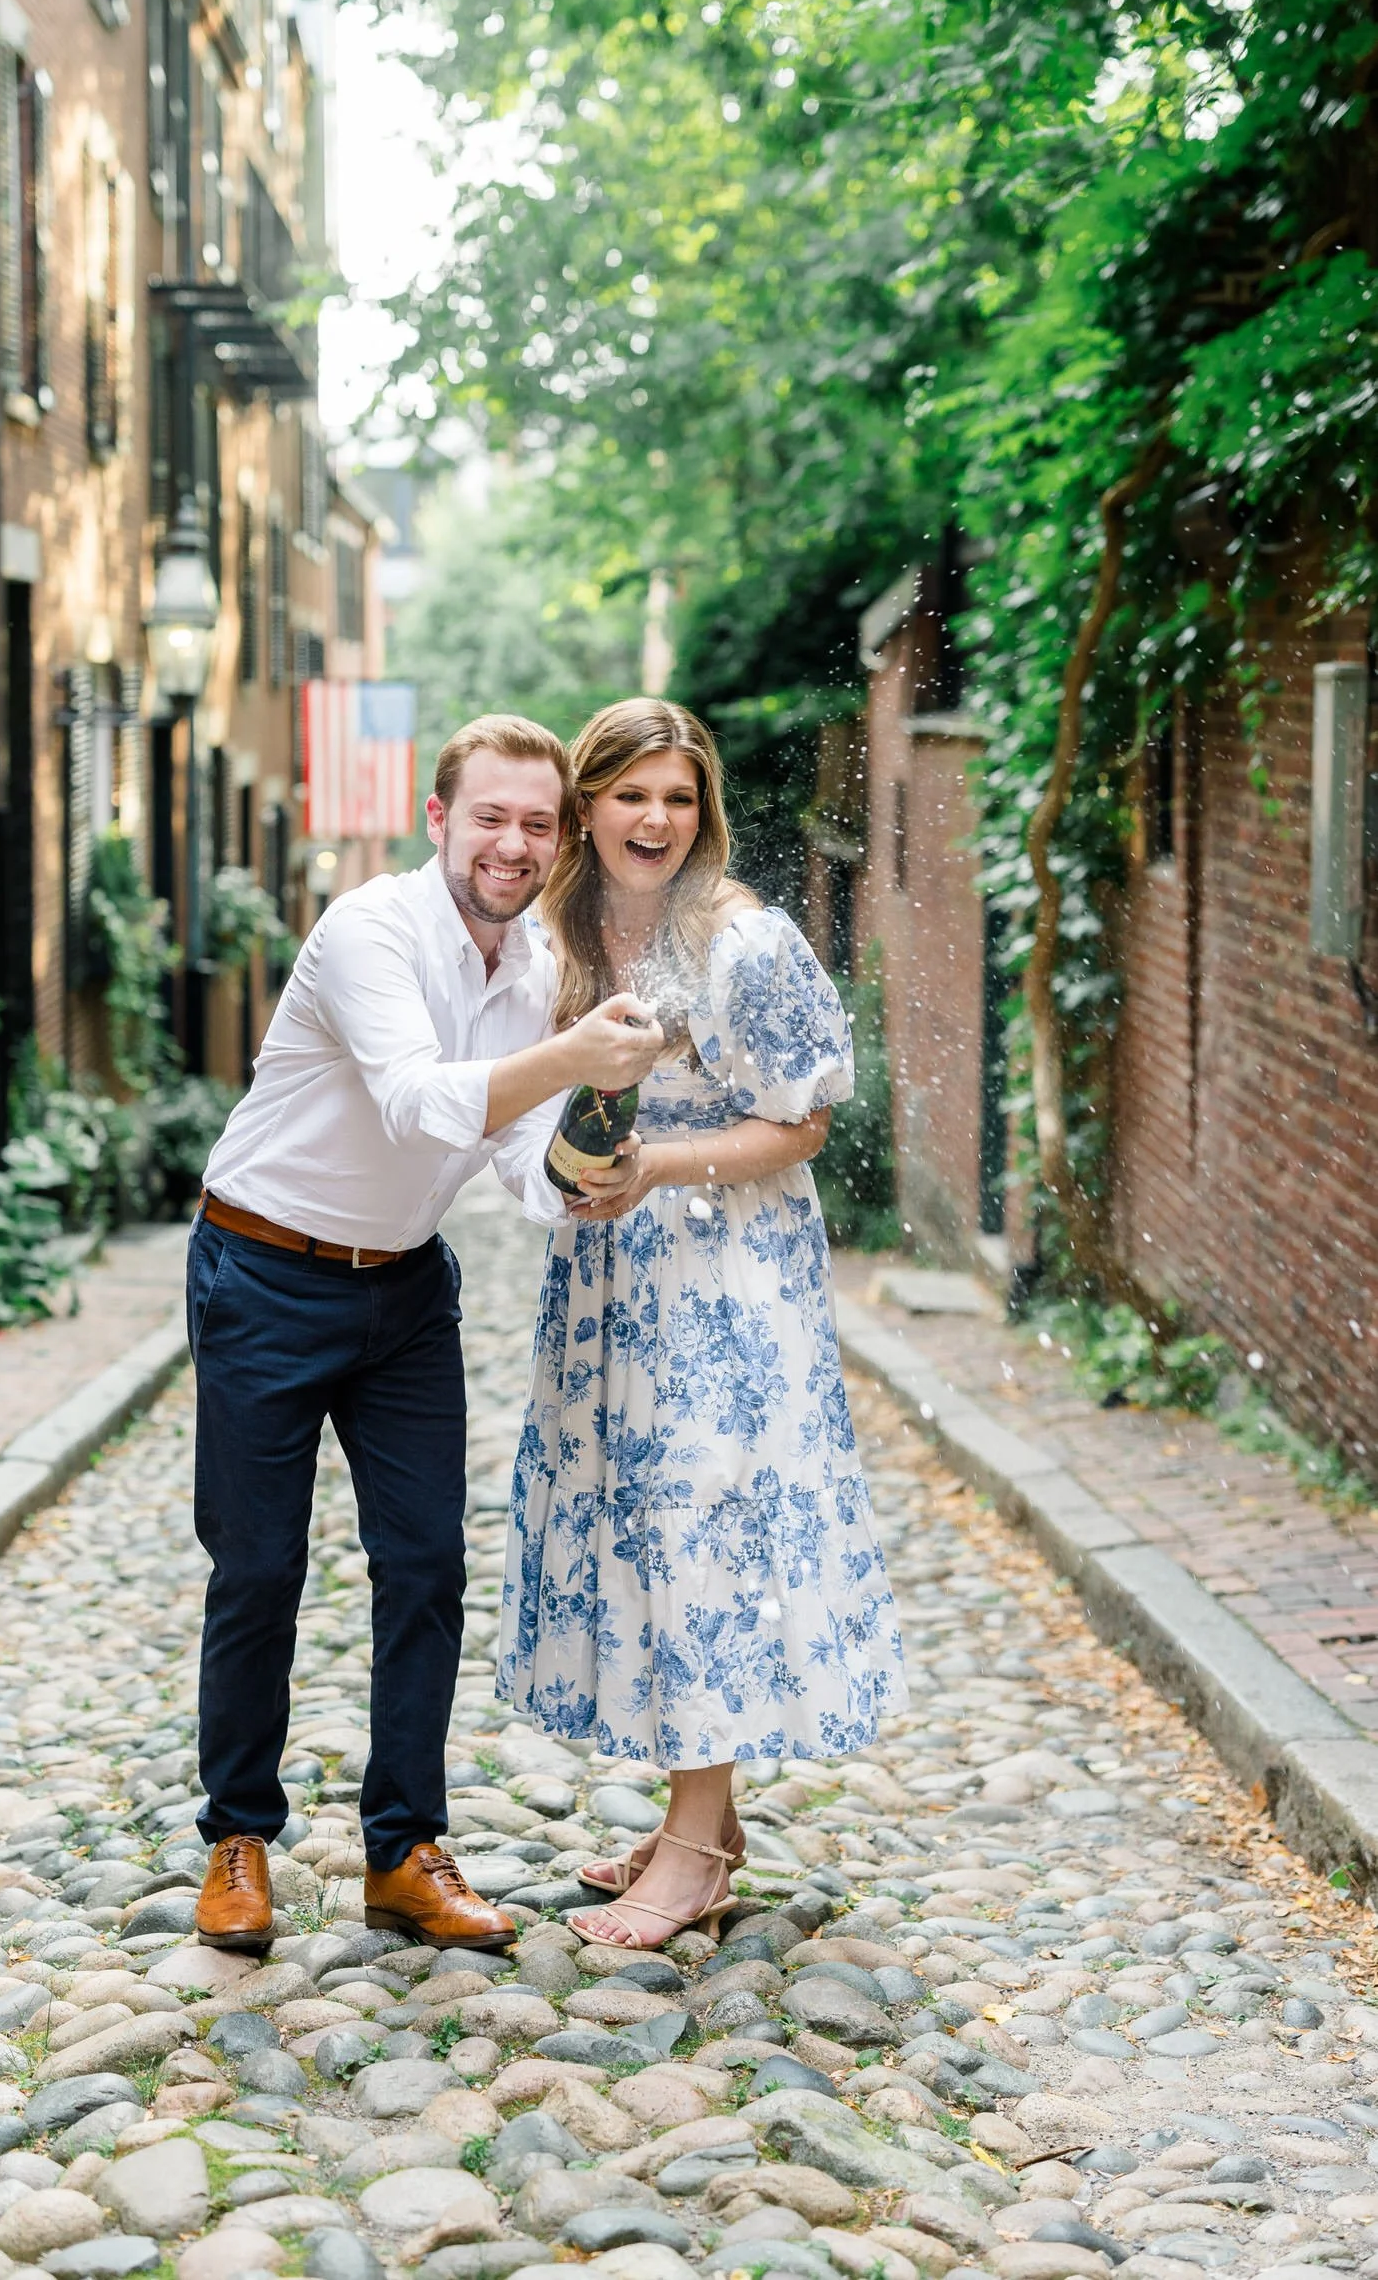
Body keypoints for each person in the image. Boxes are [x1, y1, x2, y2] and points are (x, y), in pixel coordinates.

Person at [186, 713, 663, 1955]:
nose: (512, 843)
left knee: (426, 1569)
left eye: (537, 824)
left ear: (558, 846)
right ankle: (237, 1840)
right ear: (439, 817)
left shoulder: (529, 966)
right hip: (263, 1272)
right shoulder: (369, 931)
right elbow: (412, 1102)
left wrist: (592, 1165)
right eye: (491, 816)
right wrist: (568, 1050)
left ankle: (402, 1850)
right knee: (258, 1569)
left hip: (403, 1293)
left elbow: (507, 1154)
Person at [495, 697, 906, 1948]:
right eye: (630, 794)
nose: (657, 820)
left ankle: (692, 1850)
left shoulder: (742, 942)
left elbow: (803, 1125)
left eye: (679, 797)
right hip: (615, 1282)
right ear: (587, 806)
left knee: (701, 1536)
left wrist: (655, 1167)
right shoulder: (570, 934)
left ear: (702, 810)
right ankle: (701, 1824)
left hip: (723, 1282)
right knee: (636, 1527)